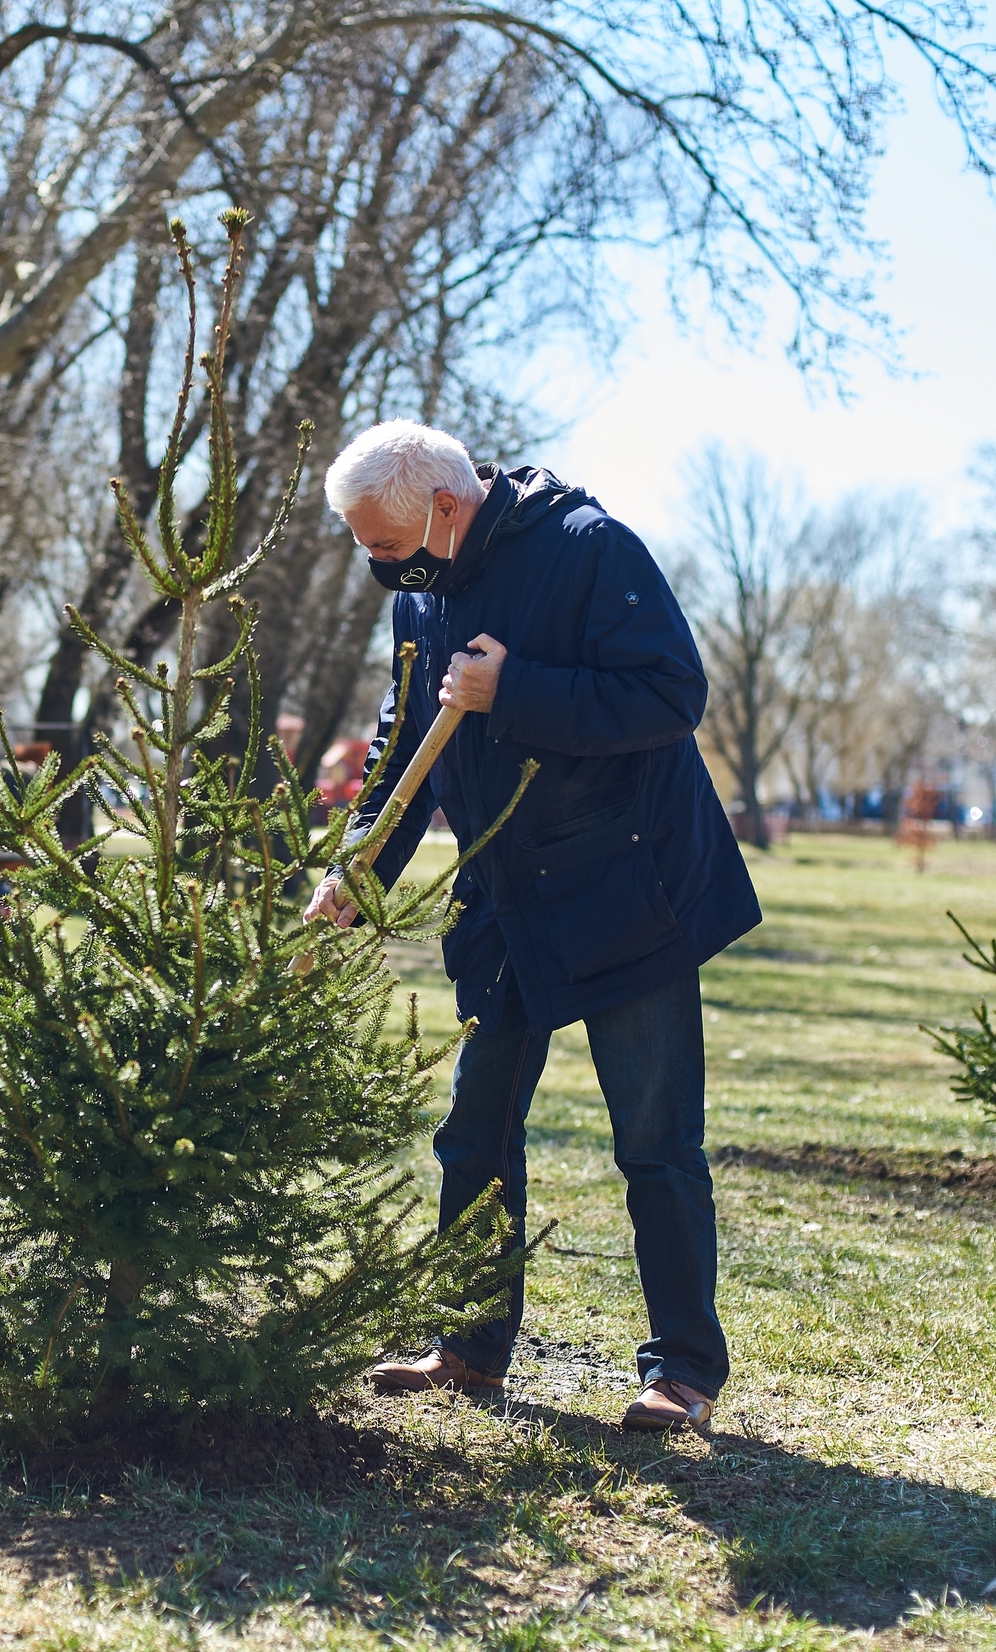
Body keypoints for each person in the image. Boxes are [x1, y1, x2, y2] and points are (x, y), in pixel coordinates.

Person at [305, 420, 760, 1432]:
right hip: (502, 891)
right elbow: (403, 736)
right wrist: (359, 869)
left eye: (380, 540)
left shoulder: (589, 549)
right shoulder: (419, 585)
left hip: (623, 887)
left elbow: (668, 694)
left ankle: (682, 1370)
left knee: (653, 1140)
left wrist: (516, 690)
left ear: (446, 508)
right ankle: (468, 1349)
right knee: (474, 1129)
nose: (370, 560)